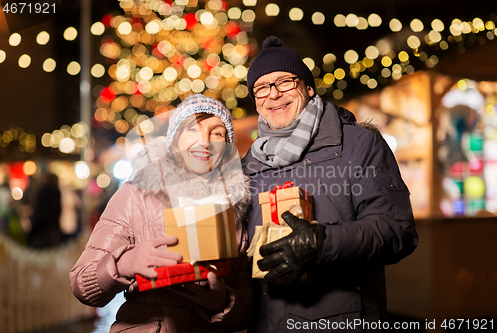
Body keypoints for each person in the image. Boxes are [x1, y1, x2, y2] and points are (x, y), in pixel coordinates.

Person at [242, 36, 418, 332]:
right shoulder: (250, 164)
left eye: (285, 82)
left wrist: (322, 243)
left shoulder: (359, 146)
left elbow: (397, 230)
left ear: (308, 88)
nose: (273, 94)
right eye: (261, 87)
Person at [70, 94, 253, 333]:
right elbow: (82, 285)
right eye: (193, 130)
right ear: (175, 140)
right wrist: (123, 263)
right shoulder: (136, 194)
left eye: (217, 133)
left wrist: (221, 302)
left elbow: (249, 309)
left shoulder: (234, 207)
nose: (205, 142)